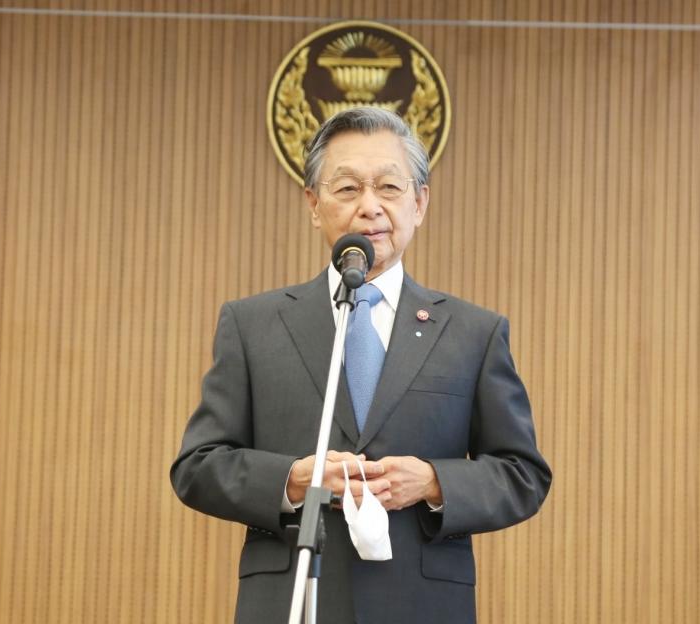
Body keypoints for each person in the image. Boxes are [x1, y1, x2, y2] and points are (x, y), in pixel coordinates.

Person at [170, 107, 552, 624]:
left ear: (419, 203)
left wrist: (433, 482)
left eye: (389, 187)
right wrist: (292, 479)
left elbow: (522, 474)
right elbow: (198, 466)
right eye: (348, 188)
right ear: (314, 204)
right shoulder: (253, 324)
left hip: (422, 606)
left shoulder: (473, 333)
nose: (369, 207)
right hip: (293, 598)